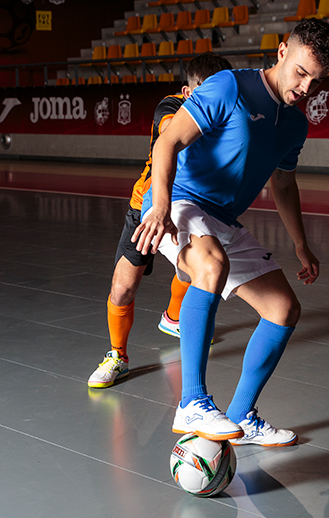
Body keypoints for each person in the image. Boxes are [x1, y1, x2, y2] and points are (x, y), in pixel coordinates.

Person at [132, 18, 329, 447]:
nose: (306, 89)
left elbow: (283, 183)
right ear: (282, 52)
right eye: (301, 73)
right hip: (181, 202)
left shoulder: (295, 125)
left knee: (283, 309)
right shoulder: (229, 87)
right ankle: (191, 401)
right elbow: (166, 142)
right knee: (209, 266)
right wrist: (159, 207)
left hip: (223, 219)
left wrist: (302, 244)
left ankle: (242, 415)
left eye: (317, 82)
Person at [88, 53, 233, 389]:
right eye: (203, 94)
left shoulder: (230, 114)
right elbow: (172, 135)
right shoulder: (169, 107)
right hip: (148, 206)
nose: (212, 102)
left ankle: (174, 317)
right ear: (187, 92)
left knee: (191, 271)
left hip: (193, 206)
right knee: (123, 287)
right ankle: (117, 355)